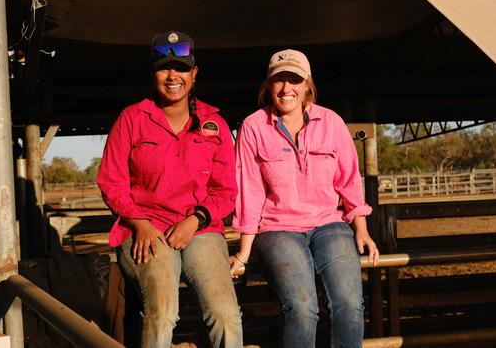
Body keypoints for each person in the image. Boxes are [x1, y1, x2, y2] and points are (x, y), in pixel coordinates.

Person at [97, 31, 243, 348]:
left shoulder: (214, 124)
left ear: (194, 74)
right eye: (164, 68)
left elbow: (226, 191)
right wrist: (138, 223)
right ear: (153, 74)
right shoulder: (132, 119)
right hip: (148, 227)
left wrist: (196, 220)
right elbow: (111, 182)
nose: (173, 76)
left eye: (181, 68)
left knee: (225, 314)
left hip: (199, 228)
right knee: (162, 313)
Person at [229, 49, 379, 348]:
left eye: (294, 80)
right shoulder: (253, 127)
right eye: (278, 80)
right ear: (268, 85)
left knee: (349, 303)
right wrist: (244, 251)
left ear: (307, 84)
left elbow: (348, 179)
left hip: (327, 223)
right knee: (302, 306)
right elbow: (250, 189)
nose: (286, 89)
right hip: (277, 227)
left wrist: (361, 228)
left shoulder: (331, 122)